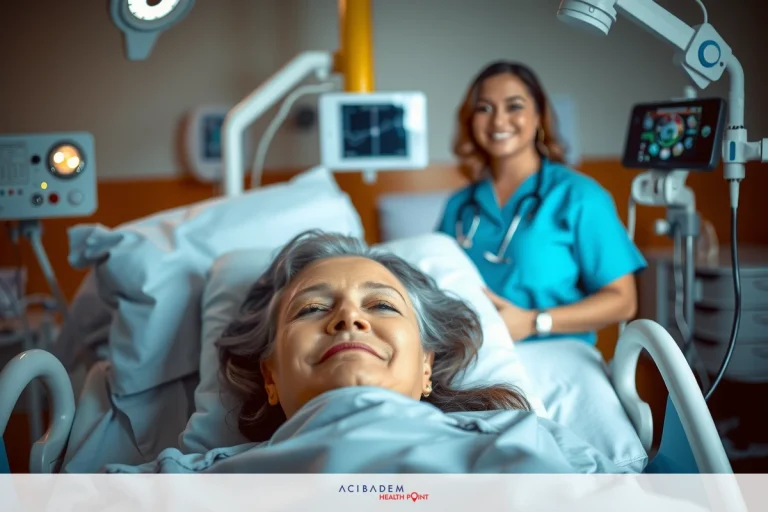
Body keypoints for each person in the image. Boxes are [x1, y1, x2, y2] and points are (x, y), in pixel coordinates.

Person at [216, 229, 530, 443]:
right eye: (311, 308)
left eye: (381, 305)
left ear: (426, 366)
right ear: (270, 377)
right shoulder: (199, 484)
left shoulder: (522, 447)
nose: (349, 317)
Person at [437, 60, 647, 345]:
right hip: (479, 354)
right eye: (484, 108)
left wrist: (534, 322)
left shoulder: (579, 196)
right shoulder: (459, 206)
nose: (498, 121)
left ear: (538, 116)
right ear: (470, 121)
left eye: (514, 106)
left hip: (557, 352)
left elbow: (623, 301)